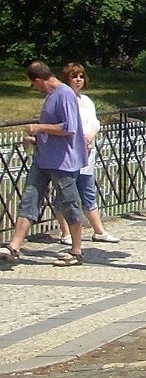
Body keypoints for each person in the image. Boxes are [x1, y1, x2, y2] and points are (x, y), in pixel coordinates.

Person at [0, 62, 88, 267]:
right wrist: (37, 139)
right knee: (30, 198)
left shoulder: (64, 94)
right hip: (44, 158)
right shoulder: (51, 96)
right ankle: (15, 246)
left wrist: (39, 128)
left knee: (69, 202)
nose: (35, 88)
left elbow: (69, 128)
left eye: (34, 84)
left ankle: (76, 251)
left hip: (63, 161)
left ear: (38, 80)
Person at [53, 63, 119, 245]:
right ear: (67, 79)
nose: (78, 80)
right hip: (69, 156)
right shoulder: (62, 99)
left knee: (88, 192)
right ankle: (65, 232)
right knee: (64, 195)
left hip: (87, 155)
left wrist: (89, 137)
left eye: (81, 77)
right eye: (74, 77)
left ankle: (99, 231)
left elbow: (95, 122)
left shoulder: (87, 101)